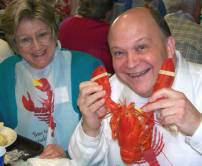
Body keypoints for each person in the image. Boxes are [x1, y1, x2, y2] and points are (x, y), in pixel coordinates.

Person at [68, 7, 202, 165]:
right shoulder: (109, 91)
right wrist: (90, 128)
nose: (130, 63)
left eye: (141, 47)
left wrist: (198, 126)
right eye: (119, 53)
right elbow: (81, 161)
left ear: (169, 46)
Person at [0, 0, 102, 159]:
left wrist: (69, 153)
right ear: (14, 44)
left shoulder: (89, 67)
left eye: (42, 35)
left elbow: (106, 134)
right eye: (25, 40)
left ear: (54, 32)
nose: (37, 47)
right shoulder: (5, 72)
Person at [58, 0, 114, 74]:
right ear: (108, 12)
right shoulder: (108, 32)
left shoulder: (65, 24)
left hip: (63, 77)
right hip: (97, 80)